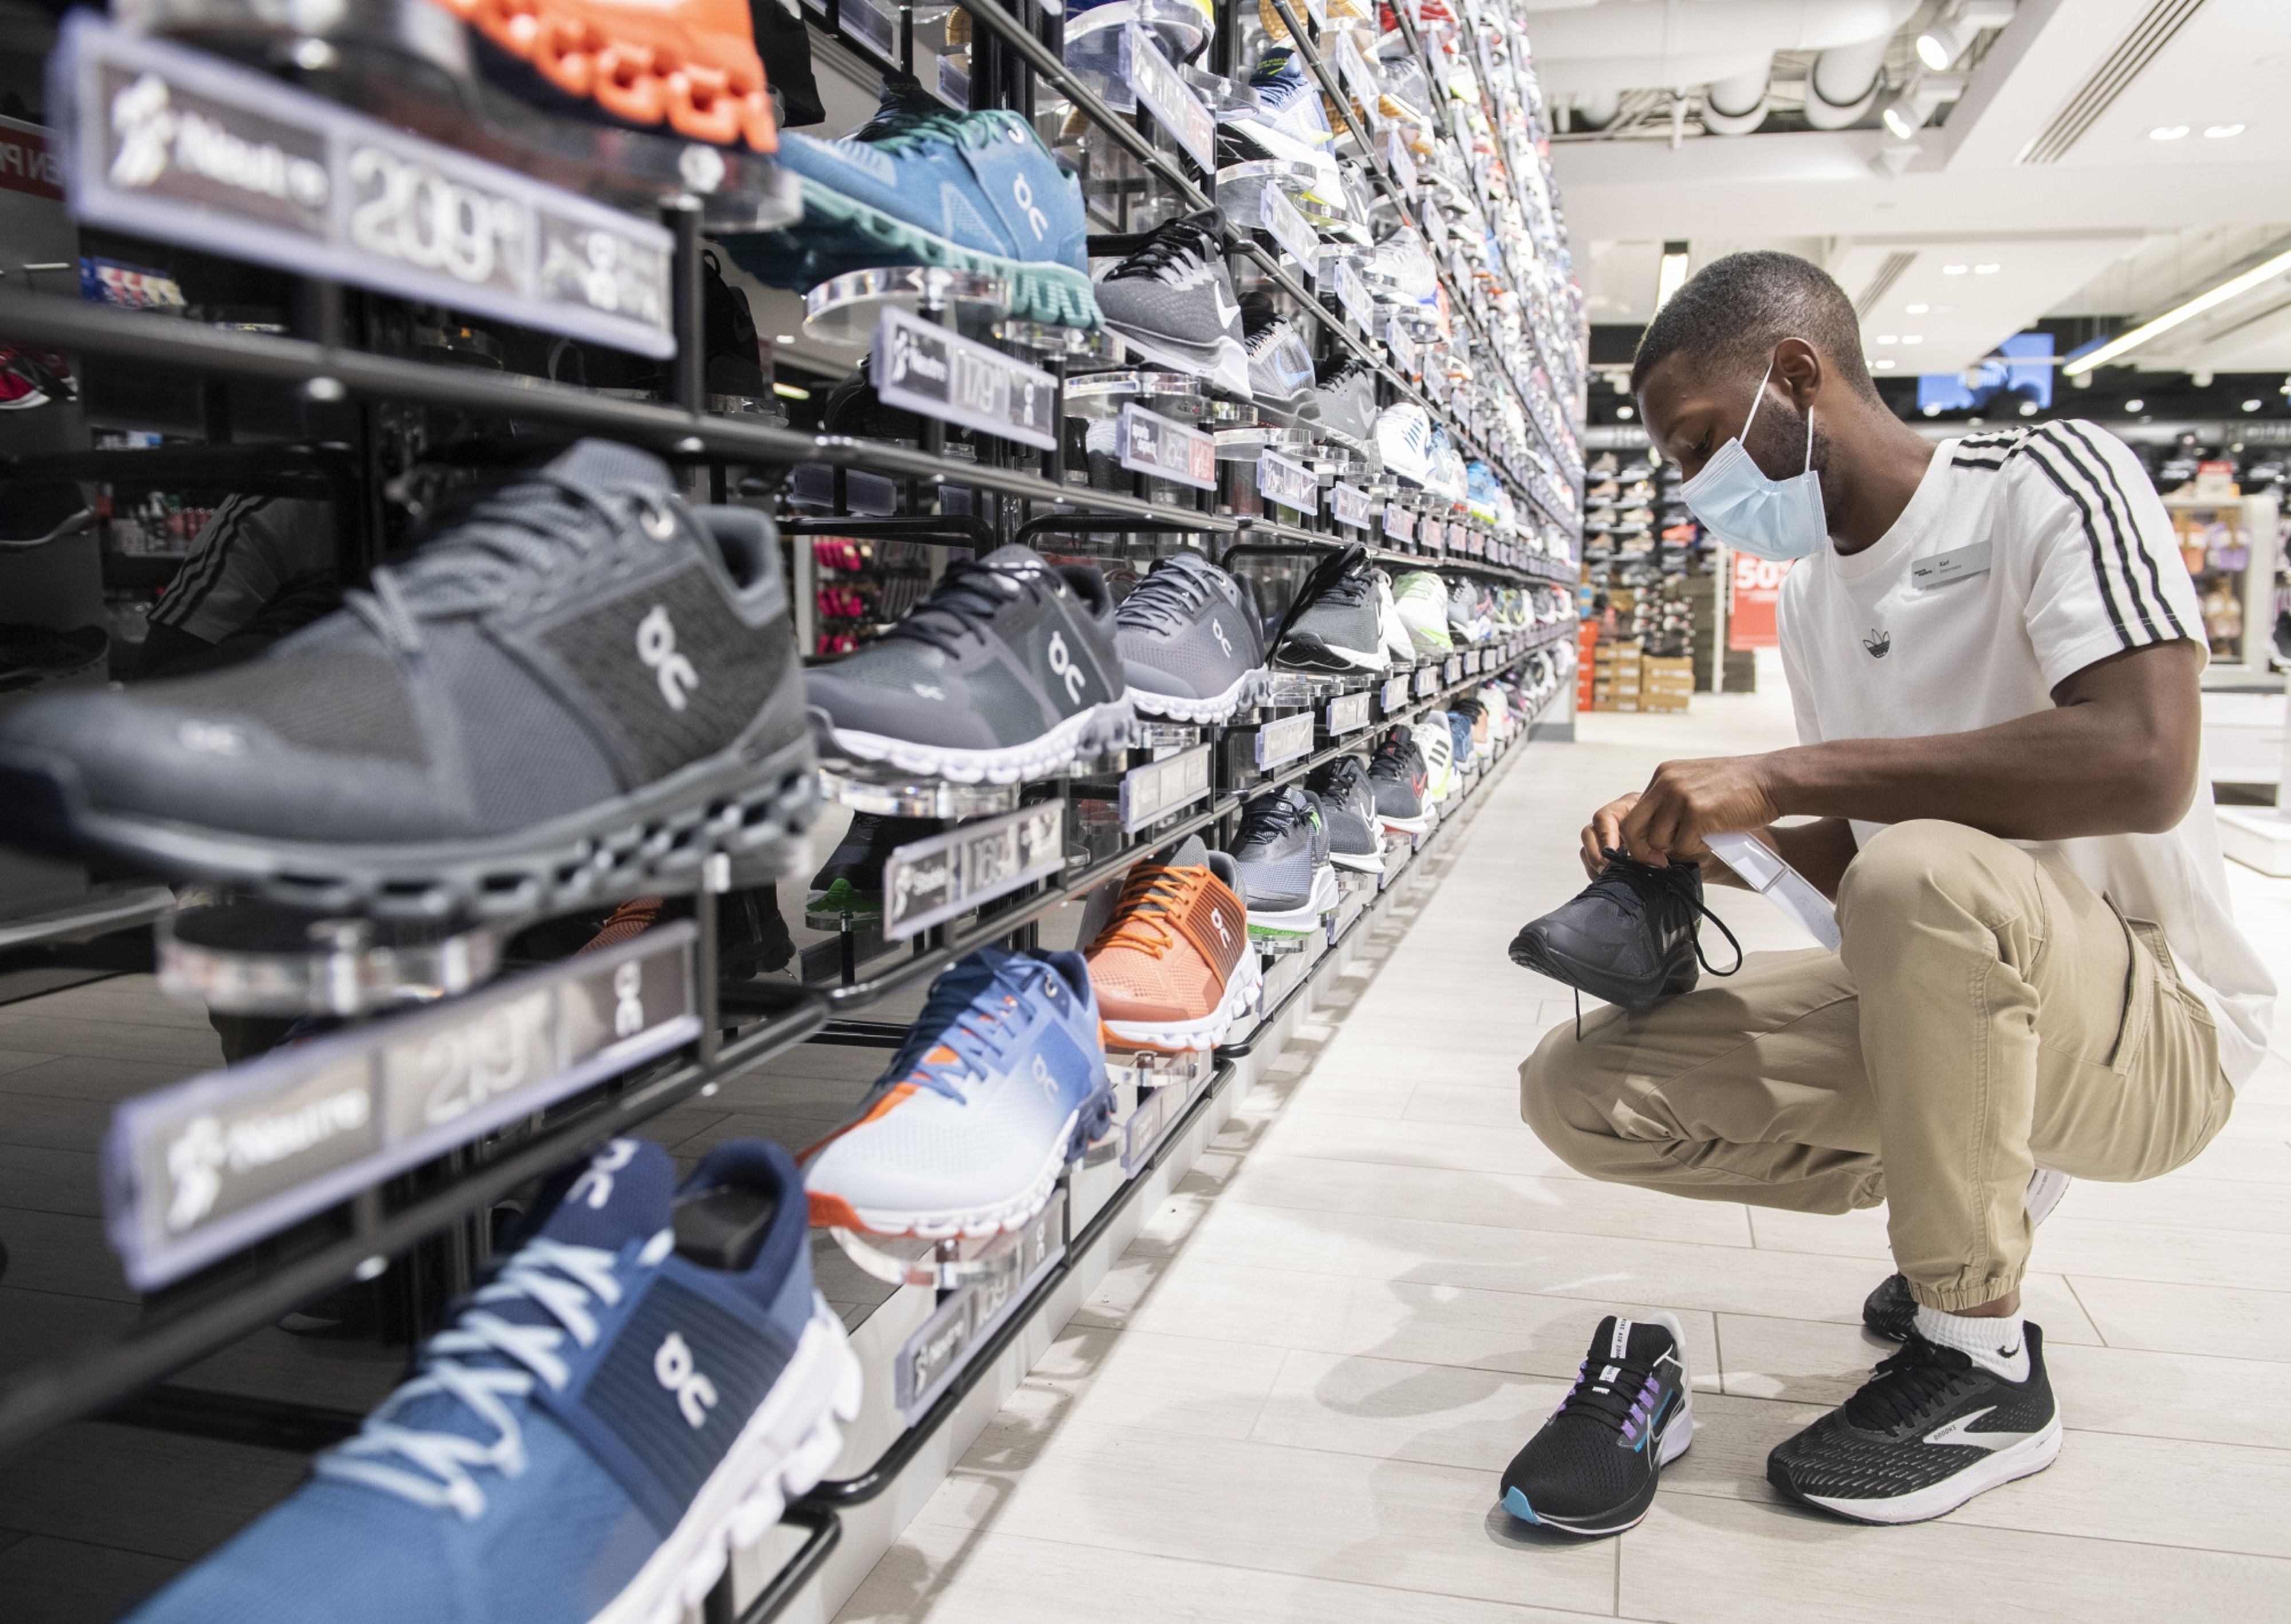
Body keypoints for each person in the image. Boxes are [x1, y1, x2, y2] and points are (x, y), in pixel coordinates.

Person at [1518, 252, 2273, 1524]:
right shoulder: (1816, 596)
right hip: (1967, 979)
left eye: (1700, 438)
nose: (1691, 483)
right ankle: (1966, 1174)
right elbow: (1868, 852)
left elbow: (2141, 760)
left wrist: (1771, 773)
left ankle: (1976, 1355)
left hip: (2153, 1023)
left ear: (1797, 376)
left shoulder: (2047, 482)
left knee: (1927, 871)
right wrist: (1718, 844)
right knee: (1576, 1089)